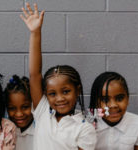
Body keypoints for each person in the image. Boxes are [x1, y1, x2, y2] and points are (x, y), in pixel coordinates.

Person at [21, 3, 97, 149]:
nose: (60, 98)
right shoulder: (43, 111)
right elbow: (35, 74)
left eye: (66, 91)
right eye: (52, 94)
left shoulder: (84, 128)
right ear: (45, 95)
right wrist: (35, 32)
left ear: (78, 90)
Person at [89, 72, 138, 150]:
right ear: (95, 103)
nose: (113, 105)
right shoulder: (87, 124)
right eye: (105, 100)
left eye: (119, 98)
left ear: (128, 99)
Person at [4, 75, 34, 150]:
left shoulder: (40, 131)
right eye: (12, 108)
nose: (19, 114)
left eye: (25, 107)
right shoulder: (4, 132)